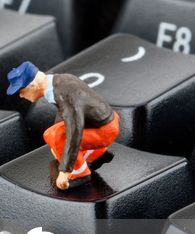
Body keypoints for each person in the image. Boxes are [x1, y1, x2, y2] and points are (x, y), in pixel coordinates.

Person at [7, 61, 120, 190]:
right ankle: (96, 154)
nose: (21, 96)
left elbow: (74, 131)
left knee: (55, 136)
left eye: (21, 91)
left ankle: (80, 174)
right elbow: (64, 116)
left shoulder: (64, 94)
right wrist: (58, 148)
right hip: (98, 125)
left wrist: (64, 170)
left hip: (104, 131)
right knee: (53, 136)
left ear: (32, 86)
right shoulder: (59, 82)